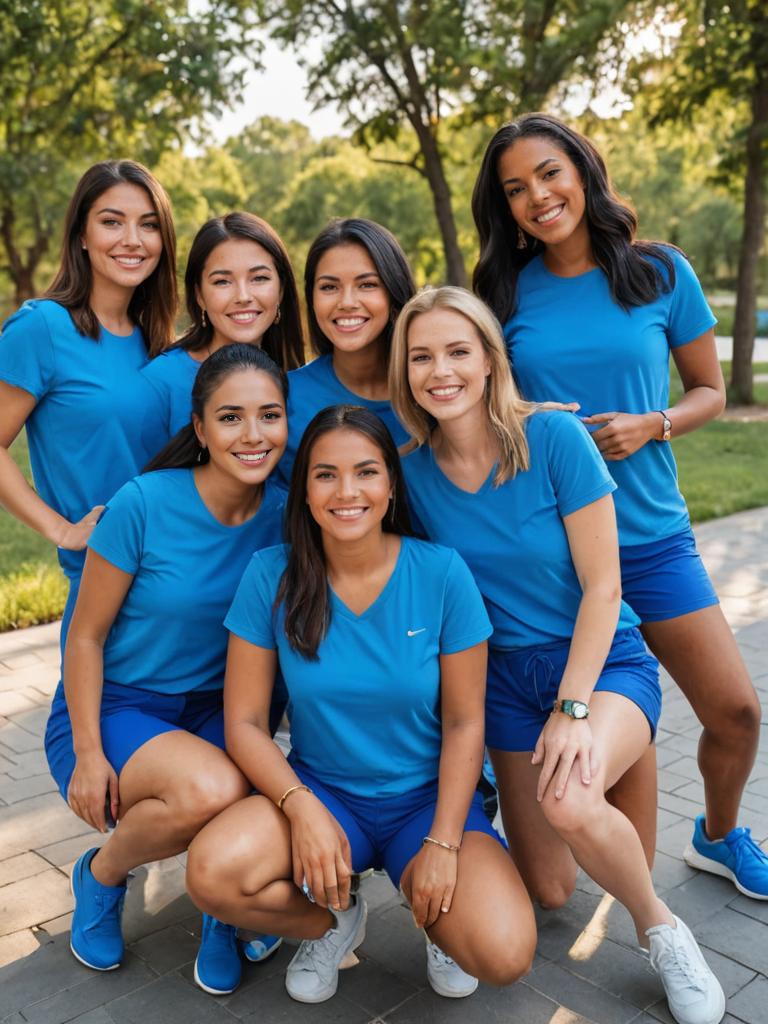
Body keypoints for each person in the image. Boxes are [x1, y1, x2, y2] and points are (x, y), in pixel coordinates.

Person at [391, 286, 726, 1024]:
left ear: (489, 360)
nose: (439, 370)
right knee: (548, 887)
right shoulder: (408, 470)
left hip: (600, 661)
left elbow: (606, 587)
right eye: (420, 356)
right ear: (403, 370)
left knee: (568, 799)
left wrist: (574, 709)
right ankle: (598, 778)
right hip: (506, 682)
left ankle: (662, 930)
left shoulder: (553, 440)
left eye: (457, 351)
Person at [471, 113, 766, 901]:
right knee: (561, 872)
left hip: (650, 537)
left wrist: (655, 422)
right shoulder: (501, 292)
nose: (537, 196)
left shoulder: (661, 272)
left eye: (548, 174)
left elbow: (712, 390)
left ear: (582, 171)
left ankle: (720, 834)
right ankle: (497, 796)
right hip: (549, 554)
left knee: (736, 709)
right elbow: (475, 406)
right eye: (515, 189)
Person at [186, 405, 536, 1005]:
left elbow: (464, 721)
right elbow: (243, 723)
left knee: (504, 953)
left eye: (366, 472)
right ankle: (335, 917)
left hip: (426, 800)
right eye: (325, 474)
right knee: (212, 873)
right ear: (303, 488)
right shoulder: (271, 575)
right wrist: (301, 808)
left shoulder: (441, 572)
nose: (346, 491)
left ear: (391, 484)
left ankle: (435, 915)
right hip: (325, 791)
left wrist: (444, 844)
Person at [50, 345, 288, 992]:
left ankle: (222, 908)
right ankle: (101, 874)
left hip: (224, 706)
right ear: (201, 426)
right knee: (211, 791)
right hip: (120, 704)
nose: (253, 434)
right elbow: (85, 637)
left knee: (255, 787)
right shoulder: (143, 503)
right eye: (231, 417)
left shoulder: (286, 517)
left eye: (269, 415)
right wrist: (90, 751)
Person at [0, 159, 177, 790]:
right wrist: (60, 528)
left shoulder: (161, 342)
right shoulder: (41, 328)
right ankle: (105, 863)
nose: (132, 239)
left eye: (148, 225)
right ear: (80, 233)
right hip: (104, 580)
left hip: (177, 580)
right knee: (95, 758)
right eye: (112, 221)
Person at [142, 211, 304, 446]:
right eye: (222, 281)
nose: (243, 296)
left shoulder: (297, 382)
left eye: (259, 278)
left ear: (280, 290)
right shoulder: (160, 384)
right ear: (199, 295)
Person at [278, 218, 414, 486]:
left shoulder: (433, 390)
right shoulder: (284, 400)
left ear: (393, 291)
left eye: (367, 285)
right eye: (329, 287)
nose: (347, 302)